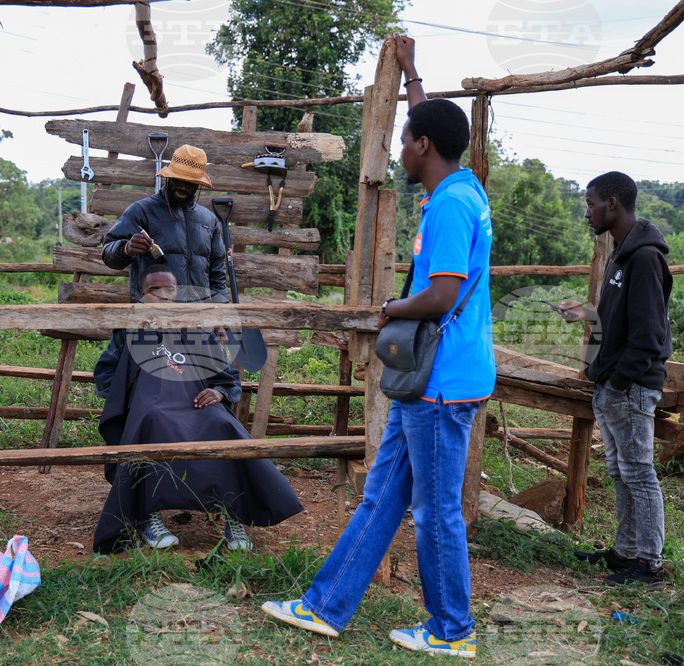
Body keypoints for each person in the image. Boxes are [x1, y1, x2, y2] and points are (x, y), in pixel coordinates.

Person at [262, 35, 494, 659]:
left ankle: (452, 631)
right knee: (382, 494)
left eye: (404, 138)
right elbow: (436, 123)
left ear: (422, 146)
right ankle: (324, 606)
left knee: (437, 512)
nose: (399, 148)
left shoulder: (449, 207)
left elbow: (442, 296)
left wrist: (390, 307)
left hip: (440, 383)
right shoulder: (460, 187)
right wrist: (414, 76)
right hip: (429, 384)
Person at [92, 265, 303, 553]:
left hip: (195, 402)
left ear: (177, 292)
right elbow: (106, 371)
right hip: (151, 407)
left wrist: (217, 392)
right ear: (143, 294)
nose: (164, 296)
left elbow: (227, 375)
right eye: (155, 290)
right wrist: (126, 404)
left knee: (223, 425)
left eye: (170, 290)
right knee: (149, 422)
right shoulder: (129, 328)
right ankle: (148, 518)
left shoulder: (193, 326)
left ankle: (234, 514)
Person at [559, 171, 670, 590]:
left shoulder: (644, 257)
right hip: (613, 383)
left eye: (590, 204)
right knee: (622, 471)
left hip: (632, 385)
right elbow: (619, 316)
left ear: (612, 205)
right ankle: (626, 551)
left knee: (639, 472)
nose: (587, 212)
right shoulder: (622, 251)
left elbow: (649, 334)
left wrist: (621, 384)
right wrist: (586, 312)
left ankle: (650, 565)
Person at [101, 144, 228, 305]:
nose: (183, 186)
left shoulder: (208, 220)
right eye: (178, 179)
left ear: (198, 185)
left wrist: (222, 320)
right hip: (153, 317)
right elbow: (108, 255)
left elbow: (217, 276)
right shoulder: (142, 211)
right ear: (168, 177)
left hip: (197, 319)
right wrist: (126, 249)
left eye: (190, 182)